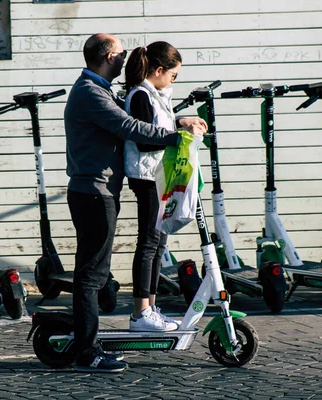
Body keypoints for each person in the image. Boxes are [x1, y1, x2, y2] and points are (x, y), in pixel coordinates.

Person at [64, 33, 207, 373]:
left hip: (99, 191)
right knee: (91, 275)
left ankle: (87, 342)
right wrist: (177, 136)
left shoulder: (101, 90)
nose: (127, 58)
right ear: (109, 56)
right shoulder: (90, 93)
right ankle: (87, 351)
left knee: (95, 272)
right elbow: (130, 126)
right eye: (122, 53)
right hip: (93, 192)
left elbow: (145, 112)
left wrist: (180, 119)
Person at [122, 41, 205, 331]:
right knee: (148, 243)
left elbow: (162, 123)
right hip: (146, 178)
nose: (174, 80)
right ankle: (139, 312)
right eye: (174, 75)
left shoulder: (155, 94)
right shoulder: (140, 95)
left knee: (159, 245)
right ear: (159, 70)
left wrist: (181, 122)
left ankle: (151, 308)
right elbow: (145, 139)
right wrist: (177, 133)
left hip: (159, 176)